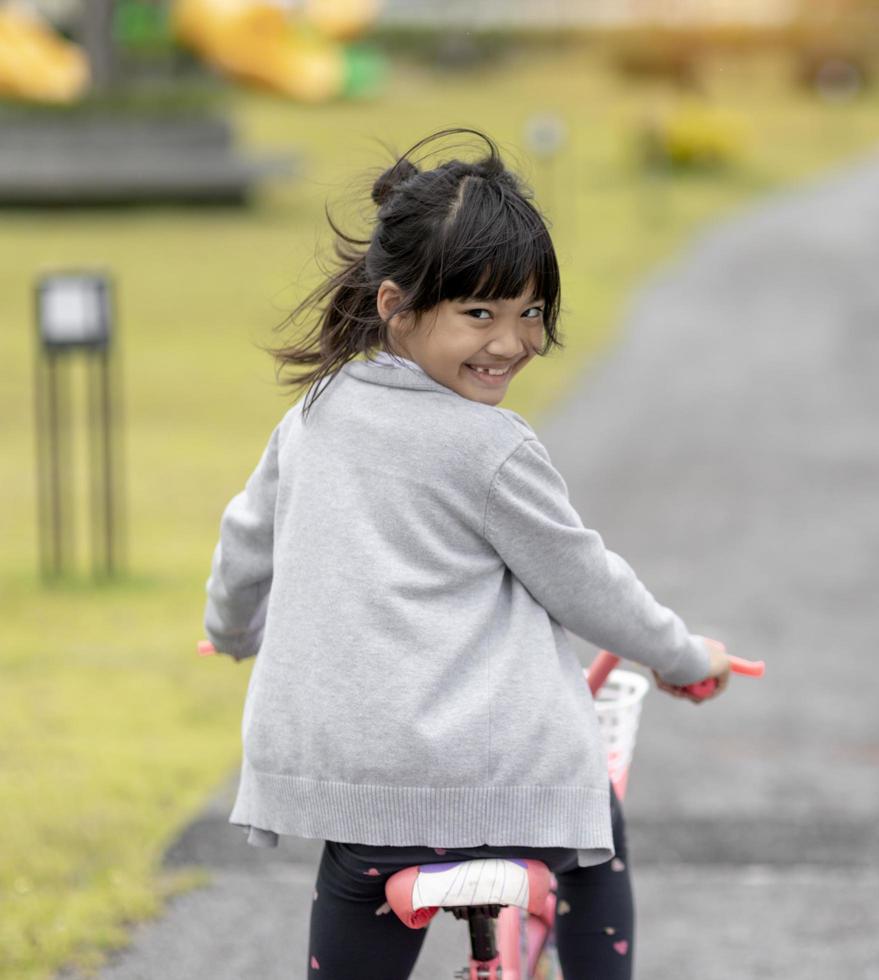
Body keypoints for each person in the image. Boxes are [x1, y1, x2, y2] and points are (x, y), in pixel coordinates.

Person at [202, 126, 731, 980]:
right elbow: (585, 583)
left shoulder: (313, 415)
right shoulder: (490, 448)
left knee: (351, 916)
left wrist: (230, 632)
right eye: (479, 313)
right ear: (394, 306)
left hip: (356, 794)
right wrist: (682, 656)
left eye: (529, 313)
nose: (511, 341)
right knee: (597, 830)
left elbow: (243, 550)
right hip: (497, 786)